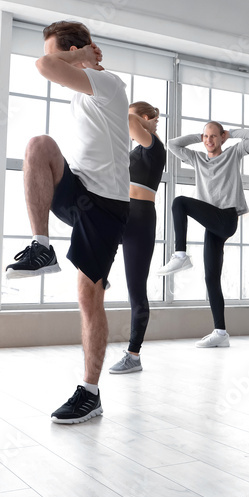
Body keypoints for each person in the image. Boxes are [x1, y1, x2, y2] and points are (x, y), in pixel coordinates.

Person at [4, 20, 130, 424]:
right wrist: (74, 56)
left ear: (79, 51)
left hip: (106, 205)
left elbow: (44, 64)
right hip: (79, 192)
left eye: (63, 52)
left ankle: (90, 393)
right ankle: (42, 245)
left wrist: (76, 56)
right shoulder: (79, 96)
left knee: (88, 297)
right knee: (39, 146)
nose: (56, 61)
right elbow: (49, 63)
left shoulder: (107, 84)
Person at [156, 121, 249, 347]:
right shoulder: (197, 159)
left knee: (179, 203)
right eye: (206, 136)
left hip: (226, 218)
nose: (209, 141)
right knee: (211, 277)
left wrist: (229, 134)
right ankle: (221, 333)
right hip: (212, 225)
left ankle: (180, 255)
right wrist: (200, 135)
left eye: (214, 136)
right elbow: (172, 145)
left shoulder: (233, 154)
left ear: (222, 138)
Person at [108, 101, 167, 374]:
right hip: (123, 212)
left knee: (136, 291)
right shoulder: (135, 149)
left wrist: (139, 117)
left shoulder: (153, 144)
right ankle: (101, 273)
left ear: (144, 118)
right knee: (94, 234)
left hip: (142, 218)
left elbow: (131, 123)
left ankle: (133, 354)